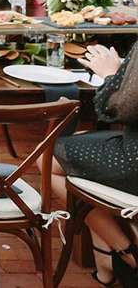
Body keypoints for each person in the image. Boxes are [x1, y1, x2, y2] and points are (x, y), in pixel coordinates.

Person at [53, 44, 138, 284]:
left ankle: (127, 253)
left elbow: (121, 108)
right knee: (78, 142)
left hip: (134, 160)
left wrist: (110, 74)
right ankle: (105, 259)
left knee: (49, 159)